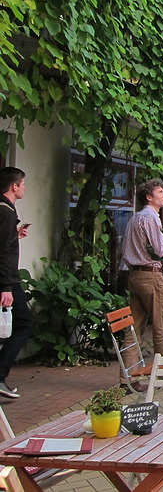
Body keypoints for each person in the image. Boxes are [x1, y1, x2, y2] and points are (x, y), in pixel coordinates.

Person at [120, 179, 163, 391]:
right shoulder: (151, 218)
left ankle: (127, 379)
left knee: (133, 329)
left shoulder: (134, 218)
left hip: (134, 276)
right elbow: (160, 249)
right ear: (149, 197)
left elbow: (126, 250)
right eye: (161, 192)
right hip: (151, 276)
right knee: (161, 327)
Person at [0, 167, 33, 399]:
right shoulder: (6, 212)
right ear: (14, 186)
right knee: (23, 324)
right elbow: (2, 252)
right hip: (6, 280)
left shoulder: (4, 211)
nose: (24, 187)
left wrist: (15, 234)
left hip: (7, 279)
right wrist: (6, 287)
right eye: (22, 183)